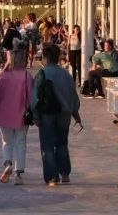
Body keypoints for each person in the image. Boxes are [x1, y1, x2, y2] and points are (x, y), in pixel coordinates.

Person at [34, 43, 82, 186]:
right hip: (64, 113)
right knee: (62, 143)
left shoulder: (42, 74)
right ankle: (65, 173)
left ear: (46, 58)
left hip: (47, 114)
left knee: (47, 145)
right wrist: (75, 112)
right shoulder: (66, 74)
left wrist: (35, 115)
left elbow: (35, 97)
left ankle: (52, 177)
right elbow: (73, 95)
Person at [0, 44, 34, 185]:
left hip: (3, 113)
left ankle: (7, 163)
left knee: (6, 142)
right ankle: (18, 174)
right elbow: (31, 97)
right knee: (20, 143)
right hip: (21, 114)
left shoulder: (1, 75)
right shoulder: (26, 75)